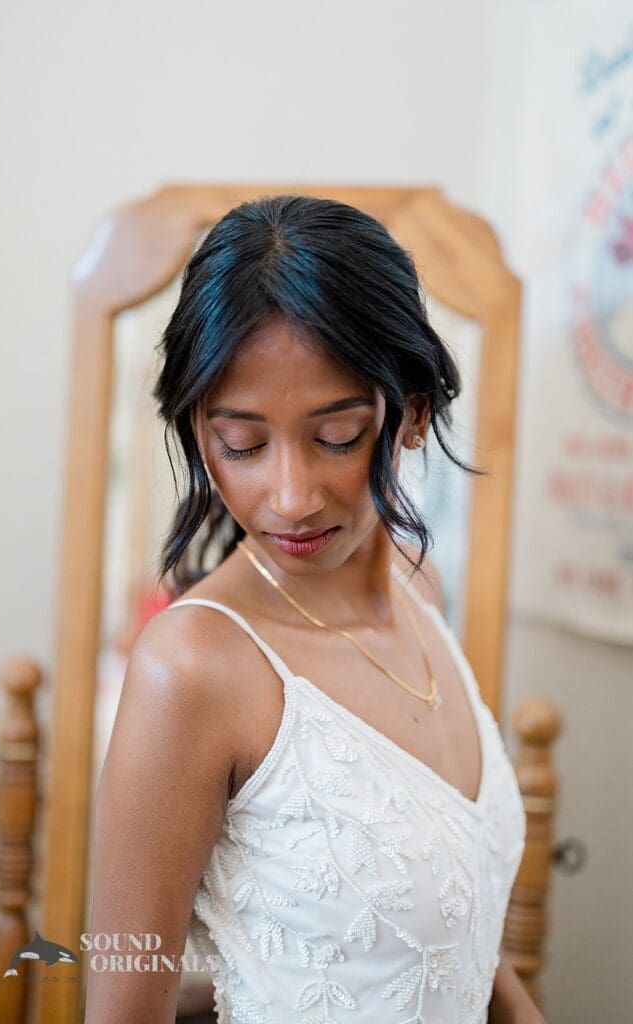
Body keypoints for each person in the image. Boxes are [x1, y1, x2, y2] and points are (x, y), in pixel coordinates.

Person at [84, 195, 543, 1023]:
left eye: (336, 436)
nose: (291, 497)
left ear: (411, 412)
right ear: (198, 432)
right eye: (242, 444)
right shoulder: (192, 670)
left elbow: (456, 928)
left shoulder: (421, 593)